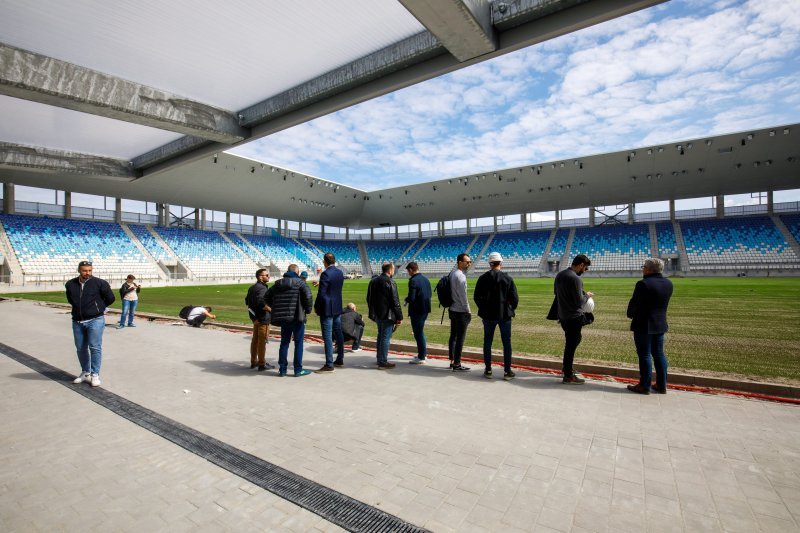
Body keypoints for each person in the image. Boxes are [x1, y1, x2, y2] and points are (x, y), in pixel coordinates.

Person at [626, 257, 673, 395]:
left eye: (644, 267)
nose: (642, 269)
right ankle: (661, 384)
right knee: (659, 354)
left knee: (645, 355)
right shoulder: (668, 283)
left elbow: (635, 304)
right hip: (660, 323)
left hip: (643, 324)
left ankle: (644, 385)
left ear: (648, 269)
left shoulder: (643, 284)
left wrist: (631, 313)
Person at [66, 260, 115, 387]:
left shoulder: (100, 283)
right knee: (81, 348)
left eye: (89, 270)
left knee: (95, 347)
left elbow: (111, 298)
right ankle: (85, 372)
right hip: (77, 321)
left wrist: (98, 308)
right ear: (79, 270)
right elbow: (71, 300)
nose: (87, 273)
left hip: (95, 320)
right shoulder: (70, 284)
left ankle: (95, 374)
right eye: (84, 270)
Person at [473, 252, 519, 380]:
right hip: (504, 315)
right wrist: (510, 309)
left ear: (490, 263)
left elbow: (477, 297)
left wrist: (483, 309)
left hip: (488, 316)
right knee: (506, 343)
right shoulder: (507, 278)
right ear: (501, 263)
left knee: (487, 342)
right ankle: (507, 371)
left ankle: (488, 370)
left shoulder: (482, 278)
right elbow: (515, 298)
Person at [265, 264, 314, 377]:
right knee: (298, 343)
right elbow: (308, 297)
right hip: (297, 317)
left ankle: (282, 369)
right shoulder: (301, 283)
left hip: (284, 318)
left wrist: (275, 307)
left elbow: (266, 297)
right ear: (297, 272)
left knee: (284, 343)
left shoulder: (278, 283)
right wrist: (308, 310)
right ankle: (298, 369)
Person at [553, 254, 593, 384]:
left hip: (563, 315)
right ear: (581, 265)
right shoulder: (575, 279)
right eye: (585, 268)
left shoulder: (560, 275)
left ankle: (567, 369)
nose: (585, 271)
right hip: (573, 317)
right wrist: (587, 295)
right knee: (571, 344)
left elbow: (556, 293)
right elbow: (579, 301)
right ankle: (568, 374)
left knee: (571, 342)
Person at [366, 262, 403, 369]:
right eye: (393, 269)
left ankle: (380, 358)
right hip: (388, 315)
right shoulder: (390, 282)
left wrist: (373, 312)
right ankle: (382, 361)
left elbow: (369, 298)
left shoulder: (373, 281)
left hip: (378, 314)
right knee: (385, 337)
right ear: (390, 270)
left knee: (380, 336)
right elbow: (395, 301)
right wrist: (399, 317)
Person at [313, 252, 345, 372]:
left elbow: (321, 293)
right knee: (338, 333)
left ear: (324, 262)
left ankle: (329, 364)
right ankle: (340, 358)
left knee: (327, 336)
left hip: (327, 308)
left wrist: (316, 306)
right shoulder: (339, 272)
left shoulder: (326, 273)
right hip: (337, 306)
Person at [245, 269, 274, 371]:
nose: (269, 276)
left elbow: (247, 301)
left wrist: (254, 317)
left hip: (256, 319)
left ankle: (254, 362)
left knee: (255, 340)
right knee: (262, 341)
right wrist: (271, 310)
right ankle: (262, 363)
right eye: (267, 275)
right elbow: (261, 303)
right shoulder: (262, 288)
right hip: (263, 318)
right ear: (260, 277)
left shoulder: (252, 288)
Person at [448, 253, 472, 372]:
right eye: (467, 262)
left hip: (452, 309)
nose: (469, 264)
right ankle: (457, 363)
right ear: (459, 262)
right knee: (460, 338)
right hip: (460, 311)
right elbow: (463, 296)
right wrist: (468, 310)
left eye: (470, 262)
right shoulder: (461, 276)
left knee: (453, 336)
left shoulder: (452, 273)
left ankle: (452, 361)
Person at [405, 262, 432, 364]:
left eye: (408, 271)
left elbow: (412, 297)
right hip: (425, 309)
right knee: (420, 332)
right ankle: (423, 353)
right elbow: (429, 294)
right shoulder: (426, 279)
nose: (408, 273)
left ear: (411, 269)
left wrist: (406, 299)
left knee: (418, 333)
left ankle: (422, 356)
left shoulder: (413, 281)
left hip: (416, 310)